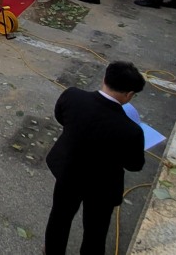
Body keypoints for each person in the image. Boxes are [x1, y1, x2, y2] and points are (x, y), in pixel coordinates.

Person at [43, 62, 147, 255]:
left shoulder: (72, 96)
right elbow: (134, 164)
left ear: (104, 79)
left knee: (59, 217)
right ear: (129, 94)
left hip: (69, 173)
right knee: (96, 231)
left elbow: (60, 117)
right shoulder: (131, 130)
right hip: (102, 186)